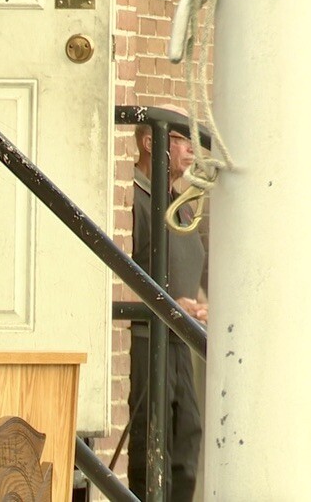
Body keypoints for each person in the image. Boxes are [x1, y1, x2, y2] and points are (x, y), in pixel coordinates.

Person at [127, 105, 207, 502]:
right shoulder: (134, 199)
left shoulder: (183, 205)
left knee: (187, 437)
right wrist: (166, 302)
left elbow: (191, 267)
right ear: (151, 143)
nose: (192, 148)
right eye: (181, 139)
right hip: (149, 335)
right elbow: (121, 271)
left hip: (183, 340)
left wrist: (202, 304)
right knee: (151, 439)